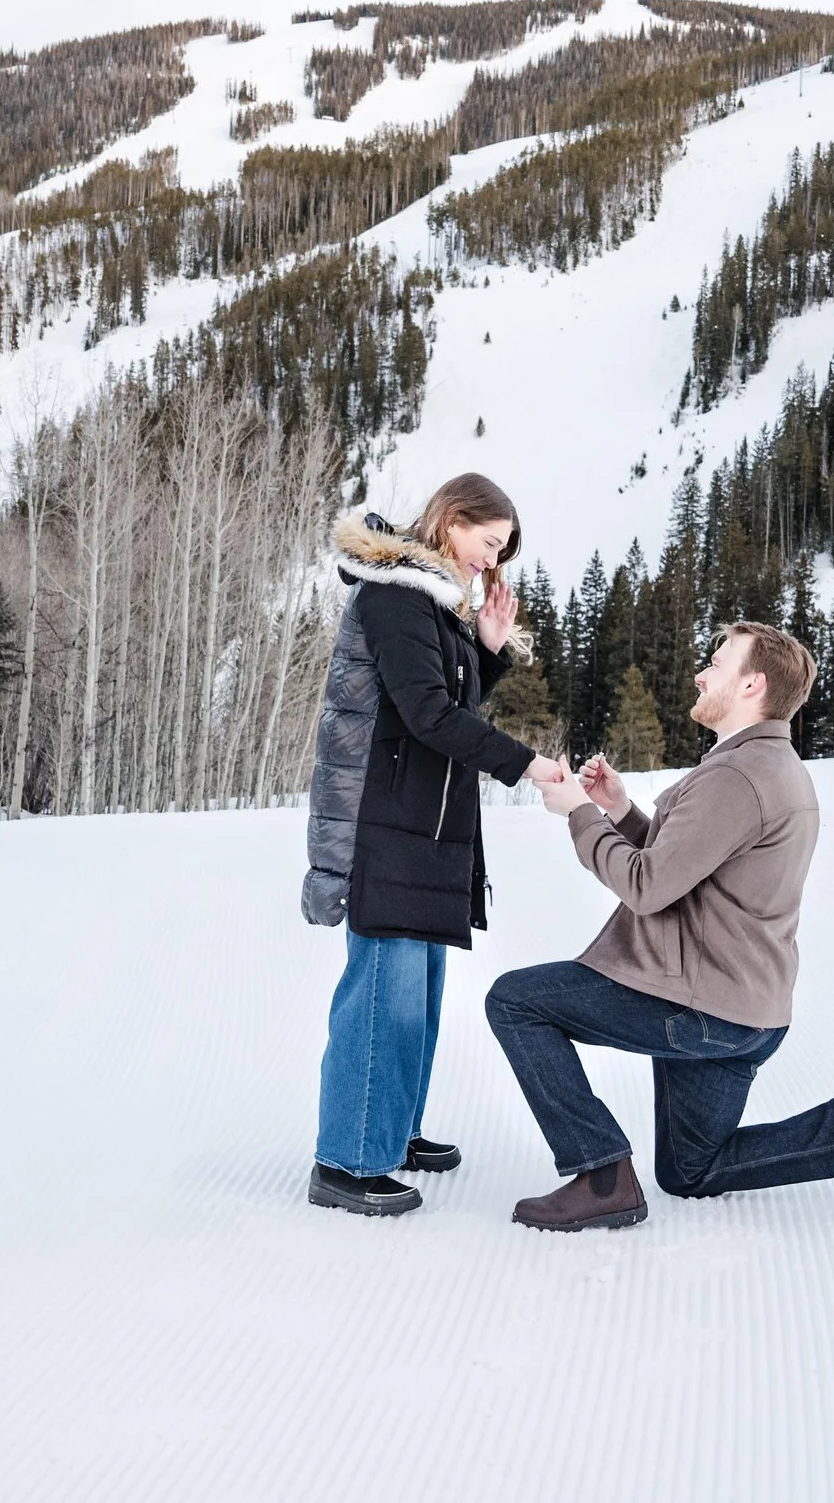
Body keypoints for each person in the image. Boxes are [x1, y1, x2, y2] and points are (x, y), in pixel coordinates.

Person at [485, 621, 834, 1231]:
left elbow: (648, 886)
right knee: (691, 1170)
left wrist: (580, 816)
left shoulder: (738, 777)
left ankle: (601, 1175)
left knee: (517, 1002)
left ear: (752, 685)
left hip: (704, 1007)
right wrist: (620, 813)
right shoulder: (765, 765)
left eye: (717, 662)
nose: (701, 672)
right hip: (746, 1010)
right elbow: (691, 868)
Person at [299, 474, 571, 1217]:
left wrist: (486, 651)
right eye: (489, 544)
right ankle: (349, 1159)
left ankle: (393, 1129)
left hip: (423, 824)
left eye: (501, 552)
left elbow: (444, 702)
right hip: (384, 827)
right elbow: (425, 715)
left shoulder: (434, 601)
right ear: (453, 521)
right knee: (382, 995)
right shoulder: (393, 594)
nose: (492, 563)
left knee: (415, 1001)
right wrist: (527, 764)